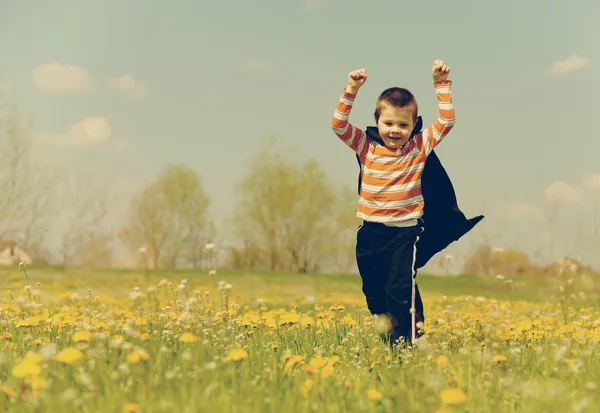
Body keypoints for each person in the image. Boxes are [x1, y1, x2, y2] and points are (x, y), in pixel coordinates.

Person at [330, 60, 455, 347]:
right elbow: (337, 125)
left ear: (413, 125)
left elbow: (446, 121)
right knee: (373, 290)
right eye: (388, 123)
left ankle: (410, 341)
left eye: (403, 124)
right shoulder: (366, 146)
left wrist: (441, 84)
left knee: (401, 287)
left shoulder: (418, 147)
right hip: (370, 232)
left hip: (404, 232)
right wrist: (351, 89)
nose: (395, 130)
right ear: (377, 122)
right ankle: (389, 334)